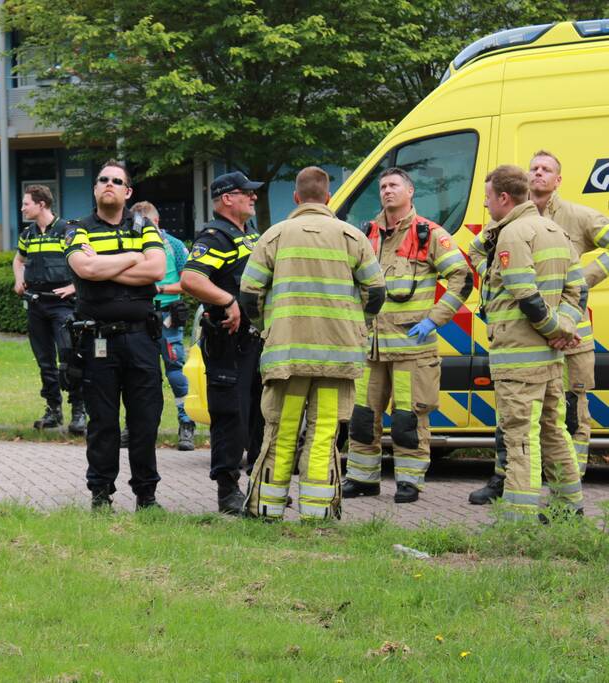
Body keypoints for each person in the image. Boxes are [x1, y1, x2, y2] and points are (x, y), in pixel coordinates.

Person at [240, 167, 384, 521]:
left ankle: (267, 510)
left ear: (296, 198)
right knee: (323, 434)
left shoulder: (273, 237)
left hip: (287, 358)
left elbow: (248, 295)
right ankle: (317, 514)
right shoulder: (352, 237)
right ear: (329, 197)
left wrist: (266, 327)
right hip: (336, 360)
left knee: (282, 431)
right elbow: (377, 292)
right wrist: (358, 325)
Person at [469, 151, 609, 504]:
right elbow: (476, 254)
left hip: (556, 340)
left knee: (551, 424)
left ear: (559, 179)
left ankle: (533, 506)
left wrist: (560, 325)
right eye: (534, 168)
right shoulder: (517, 226)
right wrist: (492, 278)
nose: (538, 174)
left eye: (546, 169)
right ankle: (560, 500)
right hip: (550, 338)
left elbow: (537, 291)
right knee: (539, 426)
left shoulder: (573, 217)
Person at [341, 168, 472, 503]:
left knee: (407, 419)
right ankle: (362, 478)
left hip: (412, 350)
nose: (387, 191)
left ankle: (409, 482)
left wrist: (435, 319)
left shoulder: (429, 234)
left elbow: (462, 278)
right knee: (361, 418)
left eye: (394, 185)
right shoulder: (366, 233)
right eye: (383, 186)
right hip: (370, 348)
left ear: (410, 192)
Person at [64, 160, 166, 511]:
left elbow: (157, 269)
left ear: (128, 191)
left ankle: (147, 497)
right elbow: (84, 268)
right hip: (98, 342)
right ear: (95, 188)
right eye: (102, 179)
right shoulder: (77, 228)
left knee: (145, 421)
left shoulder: (145, 225)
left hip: (141, 340)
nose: (109, 184)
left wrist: (107, 267)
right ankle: (101, 495)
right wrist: (133, 257)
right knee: (103, 422)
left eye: (116, 181)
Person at [179, 171, 265, 515]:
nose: (254, 198)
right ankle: (228, 492)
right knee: (232, 417)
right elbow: (191, 278)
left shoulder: (250, 235)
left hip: (257, 341)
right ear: (227, 198)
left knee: (259, 415)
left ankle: (260, 488)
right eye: (247, 193)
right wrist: (227, 301)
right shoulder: (215, 237)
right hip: (229, 343)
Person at [14, 184, 86, 434]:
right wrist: (18, 278)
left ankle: (79, 411)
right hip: (36, 304)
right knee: (45, 361)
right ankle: (53, 410)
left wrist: (74, 287)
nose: (22, 208)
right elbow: (19, 259)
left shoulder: (68, 230)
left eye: (26, 204)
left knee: (70, 357)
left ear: (41, 204)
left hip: (62, 306)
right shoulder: (28, 234)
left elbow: (87, 262)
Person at [130, 201, 196, 451]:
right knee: (139, 374)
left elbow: (190, 281)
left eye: (141, 224)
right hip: (139, 317)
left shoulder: (175, 246)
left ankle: (186, 424)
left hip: (167, 318)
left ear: (155, 222)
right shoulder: (133, 245)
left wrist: (160, 289)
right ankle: (137, 427)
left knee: (175, 371)